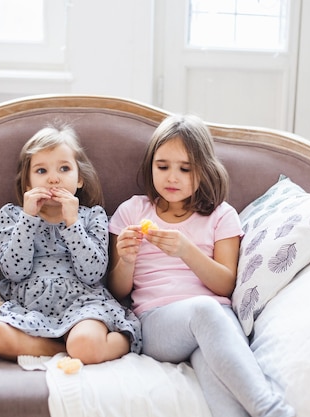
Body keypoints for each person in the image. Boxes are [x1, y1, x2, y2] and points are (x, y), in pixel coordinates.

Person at [107, 115, 295, 417]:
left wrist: (186, 250)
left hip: (215, 319)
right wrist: (127, 260)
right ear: (150, 166)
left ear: (204, 170)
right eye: (162, 166)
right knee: (205, 312)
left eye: (185, 168)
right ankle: (274, 411)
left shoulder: (222, 216)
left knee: (215, 371)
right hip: (157, 323)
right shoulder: (132, 211)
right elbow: (117, 291)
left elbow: (225, 285)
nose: (172, 177)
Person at [0, 123, 142, 364]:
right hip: (30, 307)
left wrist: (73, 223)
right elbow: (14, 272)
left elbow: (92, 274)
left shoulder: (93, 216)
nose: (53, 179)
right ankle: (61, 349)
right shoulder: (13, 215)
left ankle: (121, 339)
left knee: (85, 343)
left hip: (82, 304)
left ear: (79, 179)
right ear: (27, 184)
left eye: (64, 168)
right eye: (41, 171)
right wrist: (28, 219)